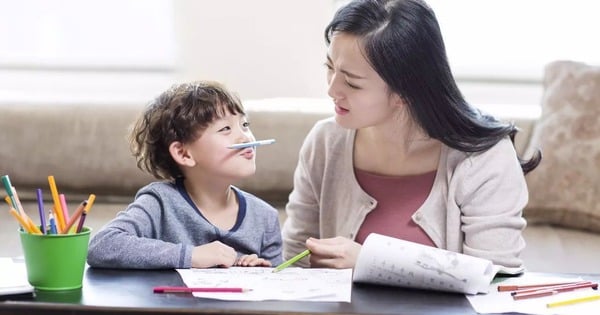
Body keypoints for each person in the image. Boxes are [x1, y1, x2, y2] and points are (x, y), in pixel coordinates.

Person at [282, 0, 541, 271]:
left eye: (351, 82)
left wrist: (373, 260)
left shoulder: (484, 158)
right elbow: (294, 258)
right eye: (330, 67)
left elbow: (495, 275)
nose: (332, 89)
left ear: (405, 92)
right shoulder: (325, 142)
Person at [88, 81, 283, 269]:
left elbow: (276, 289)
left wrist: (259, 272)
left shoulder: (265, 218)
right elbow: (102, 246)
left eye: (245, 124)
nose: (245, 137)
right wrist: (191, 256)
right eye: (225, 128)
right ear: (184, 153)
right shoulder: (160, 203)